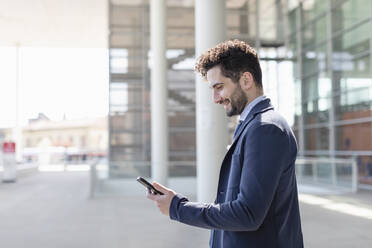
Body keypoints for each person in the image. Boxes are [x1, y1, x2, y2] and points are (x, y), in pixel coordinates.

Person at [147, 39, 304, 248]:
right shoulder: (254, 125)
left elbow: (247, 214)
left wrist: (178, 208)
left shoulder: (265, 128)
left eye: (219, 87)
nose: (215, 98)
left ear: (246, 80)